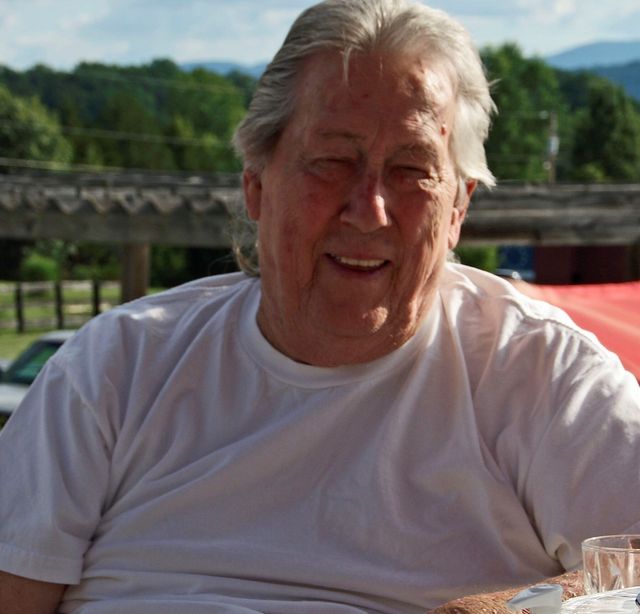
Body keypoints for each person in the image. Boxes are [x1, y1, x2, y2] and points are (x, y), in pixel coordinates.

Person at [0, 0, 639, 612]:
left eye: (412, 169)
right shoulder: (117, 366)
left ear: (458, 209)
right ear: (256, 184)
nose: (369, 211)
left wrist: (510, 610)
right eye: (332, 161)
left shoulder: (539, 374)